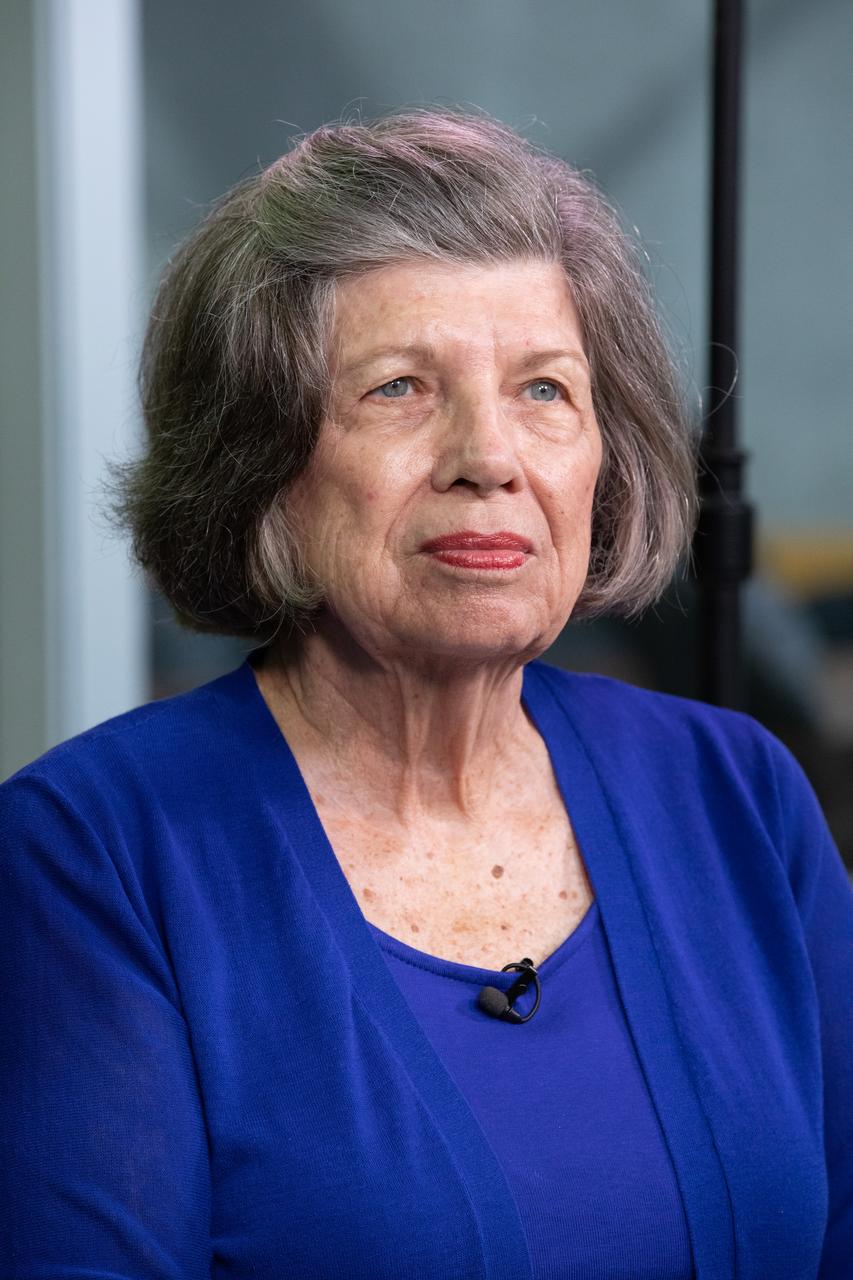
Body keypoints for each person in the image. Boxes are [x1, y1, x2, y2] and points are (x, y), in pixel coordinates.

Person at [1, 107, 850, 1280]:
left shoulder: (736, 791)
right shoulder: (96, 850)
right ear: (265, 466)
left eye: (544, 390)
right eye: (399, 388)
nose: (488, 456)